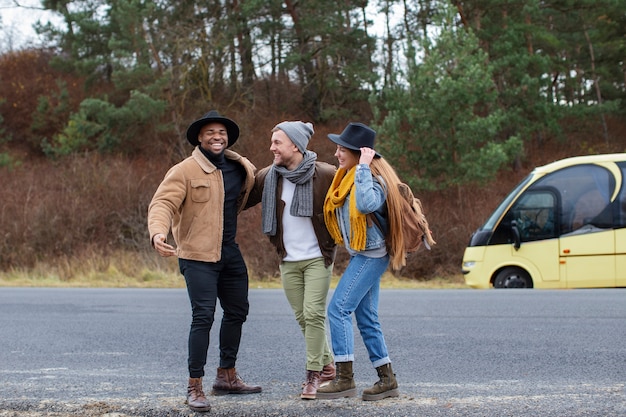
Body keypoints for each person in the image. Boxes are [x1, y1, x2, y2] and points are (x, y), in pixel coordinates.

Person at [147, 110, 261, 413]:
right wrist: (158, 233)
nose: (217, 137)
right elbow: (163, 203)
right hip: (197, 256)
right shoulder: (184, 170)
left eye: (221, 133)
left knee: (238, 311)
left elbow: (259, 188)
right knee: (203, 317)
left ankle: (226, 376)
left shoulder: (242, 168)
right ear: (199, 137)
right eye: (210, 132)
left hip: (229, 253)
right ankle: (194, 386)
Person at [246, 121, 337, 399]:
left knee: (313, 314)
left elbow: (350, 198)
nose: (271, 147)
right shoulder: (268, 176)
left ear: (295, 146)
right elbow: (241, 196)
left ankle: (313, 375)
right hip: (288, 259)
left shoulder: (325, 174)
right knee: (303, 317)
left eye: (277, 142)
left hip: (317, 257)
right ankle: (328, 365)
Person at [317, 122, 406, 401]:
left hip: (372, 255)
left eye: (342, 149)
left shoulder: (371, 180)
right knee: (366, 318)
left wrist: (365, 167)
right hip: (362, 254)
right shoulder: (347, 178)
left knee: (338, 309)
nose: (336, 154)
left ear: (358, 153)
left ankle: (344, 379)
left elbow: (367, 204)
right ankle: (387, 379)